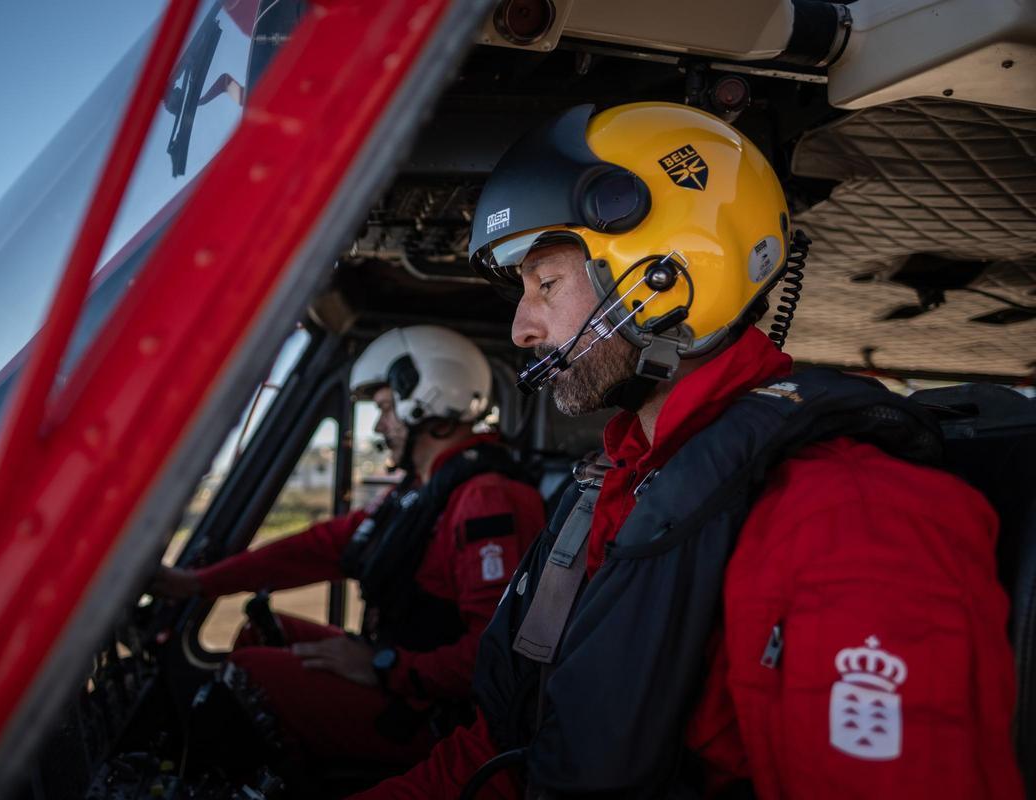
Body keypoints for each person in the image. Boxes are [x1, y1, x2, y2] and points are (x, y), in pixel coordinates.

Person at [356, 103, 1023, 798]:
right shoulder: (616, 488)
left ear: (667, 276)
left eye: (546, 284)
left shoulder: (850, 519)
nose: (522, 329)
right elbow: (506, 746)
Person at [153, 325, 545, 769]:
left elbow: (493, 656)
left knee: (244, 675)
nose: (378, 426)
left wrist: (382, 666)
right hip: (404, 671)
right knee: (266, 630)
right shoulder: (417, 493)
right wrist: (197, 583)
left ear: (428, 397)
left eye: (384, 409)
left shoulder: (485, 498)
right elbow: (317, 547)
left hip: (433, 712)